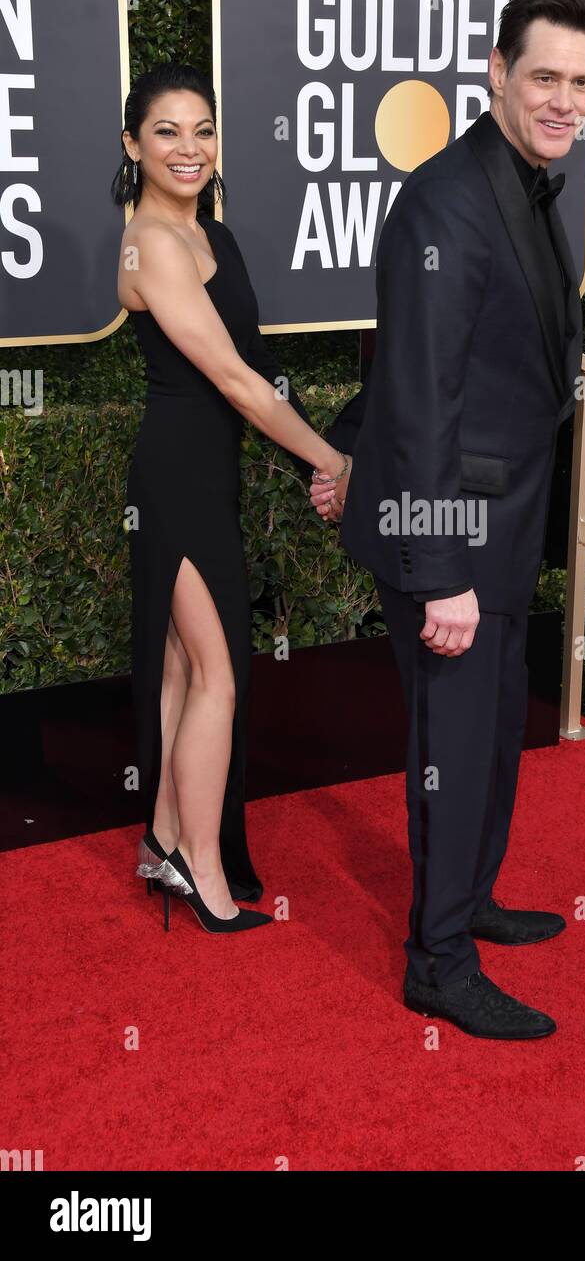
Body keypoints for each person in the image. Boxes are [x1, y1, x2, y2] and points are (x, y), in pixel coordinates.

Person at [313, 0, 585, 1036]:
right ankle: (434, 961)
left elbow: (423, 358)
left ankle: (469, 898)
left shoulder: (525, 182)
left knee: (489, 737)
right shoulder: (446, 200)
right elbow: (423, 390)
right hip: (449, 541)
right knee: (450, 741)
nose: (562, 99)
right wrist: (438, 567)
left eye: (579, 82)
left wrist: (348, 445)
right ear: (495, 72)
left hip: (505, 528)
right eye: (543, 75)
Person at [113, 64, 351, 934]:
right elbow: (239, 384)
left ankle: (164, 839)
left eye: (203, 129)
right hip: (174, 484)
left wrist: (313, 464)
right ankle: (202, 874)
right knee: (218, 673)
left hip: (210, 478)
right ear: (133, 144)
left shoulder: (220, 238)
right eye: (168, 131)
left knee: (186, 668)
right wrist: (333, 460)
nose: (190, 148)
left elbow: (253, 381)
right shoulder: (149, 244)